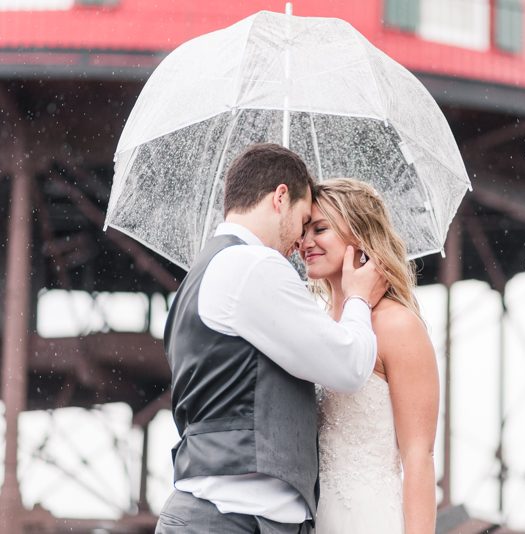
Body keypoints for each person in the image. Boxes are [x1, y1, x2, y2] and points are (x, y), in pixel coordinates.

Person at [156, 144, 388, 534]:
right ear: (281, 197)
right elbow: (349, 367)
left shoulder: (200, 273)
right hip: (231, 518)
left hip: (216, 513)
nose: (299, 242)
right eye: (302, 220)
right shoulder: (254, 265)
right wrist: (360, 298)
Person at [299, 178, 439, 534]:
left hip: (370, 519)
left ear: (359, 235)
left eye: (320, 228)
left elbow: (418, 456)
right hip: (313, 520)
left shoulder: (398, 326)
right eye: (303, 230)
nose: (305, 242)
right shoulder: (314, 325)